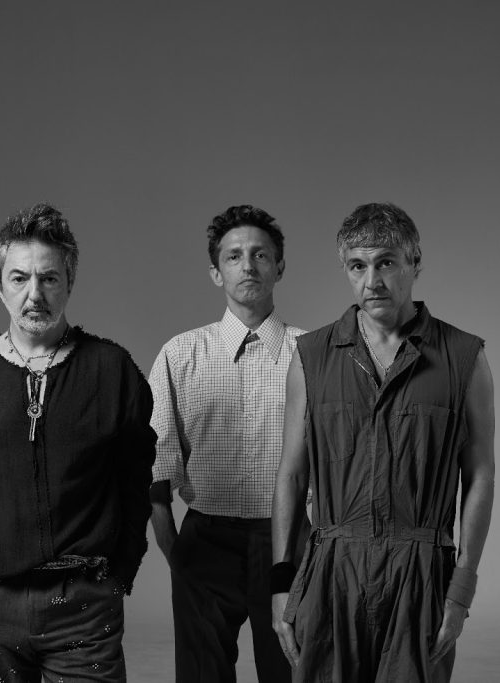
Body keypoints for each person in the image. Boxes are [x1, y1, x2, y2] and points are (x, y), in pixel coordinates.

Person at [0, 203, 156, 682]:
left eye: (49, 278)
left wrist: (119, 574)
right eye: (19, 278)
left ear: (69, 281)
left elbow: (135, 482)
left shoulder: (112, 370)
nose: (35, 294)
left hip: (84, 603)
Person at [271, 202, 495, 682]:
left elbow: (480, 476)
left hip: (421, 574)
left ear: (415, 262)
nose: (372, 281)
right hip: (330, 575)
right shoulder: (311, 357)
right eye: (358, 266)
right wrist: (280, 583)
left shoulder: (464, 357)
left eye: (386, 262)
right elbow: (291, 474)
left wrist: (461, 591)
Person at [149, 205, 306, 682]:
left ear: (280, 266)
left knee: (291, 671)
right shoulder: (180, 354)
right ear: (216, 272)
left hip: (287, 544)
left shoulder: (312, 354)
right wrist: (175, 552)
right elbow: (157, 468)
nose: (248, 265)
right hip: (205, 542)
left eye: (261, 254)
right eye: (234, 256)